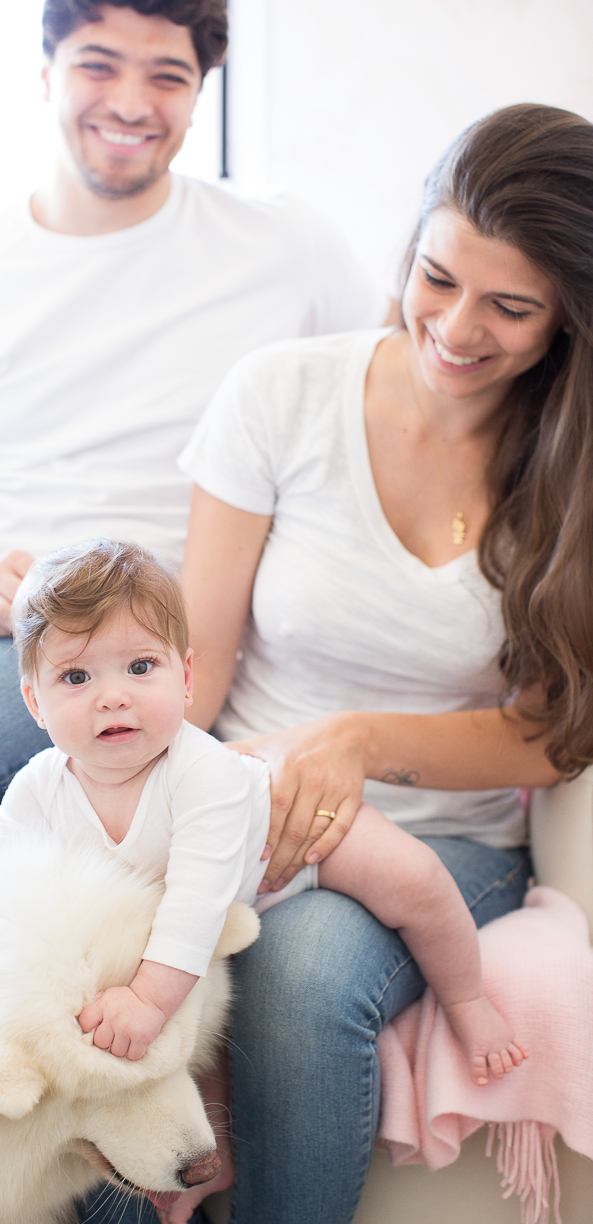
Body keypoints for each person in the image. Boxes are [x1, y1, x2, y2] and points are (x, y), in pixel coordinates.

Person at [0, 0, 386, 869]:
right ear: (47, 74)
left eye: (167, 75)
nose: (133, 101)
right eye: (100, 64)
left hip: (121, 622)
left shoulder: (284, 246)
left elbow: (399, 395)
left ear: (200, 88)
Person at [176, 103, 593, 1224]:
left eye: (510, 308)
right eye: (437, 277)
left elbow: (553, 734)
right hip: (253, 797)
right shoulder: (281, 393)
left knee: (307, 977)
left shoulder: (573, 470)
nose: (456, 329)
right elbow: (195, 670)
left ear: (567, 325)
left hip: (444, 840)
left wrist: (358, 744)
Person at [0, 538, 527, 1224]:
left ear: (185, 679)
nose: (112, 697)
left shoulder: (201, 773)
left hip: (291, 847)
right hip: (216, 914)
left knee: (413, 878)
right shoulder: (40, 788)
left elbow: (198, 899)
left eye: (139, 667)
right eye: (76, 679)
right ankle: (204, 1164)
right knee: (201, 1022)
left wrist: (148, 1001)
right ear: (35, 701)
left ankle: (469, 999)